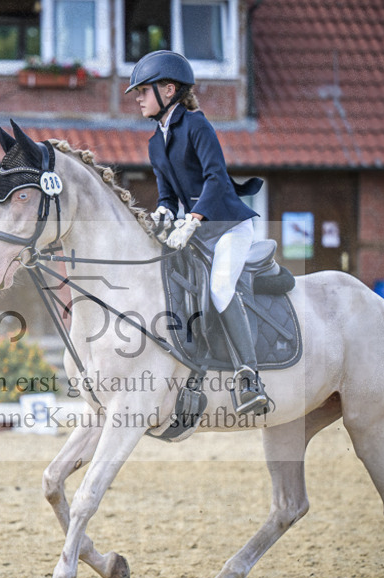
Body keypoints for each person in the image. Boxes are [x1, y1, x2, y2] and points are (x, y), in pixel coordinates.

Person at [127, 50, 268, 415]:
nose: (138, 98)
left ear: (169, 90)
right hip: (197, 231)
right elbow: (168, 195)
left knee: (220, 286)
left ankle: (249, 377)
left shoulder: (196, 125)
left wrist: (193, 219)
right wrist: (162, 212)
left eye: (143, 90)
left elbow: (216, 179)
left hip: (228, 227)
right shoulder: (155, 142)